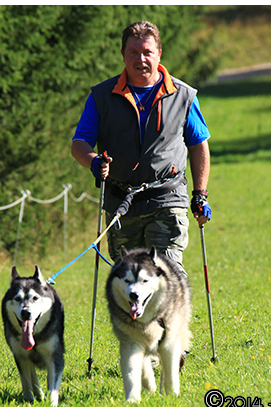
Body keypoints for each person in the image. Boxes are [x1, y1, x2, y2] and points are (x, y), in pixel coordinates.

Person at [71, 21, 211, 273]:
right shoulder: (102, 96)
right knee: (128, 279)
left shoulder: (183, 95)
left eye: (147, 52)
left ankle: (169, 314)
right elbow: (79, 143)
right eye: (133, 52)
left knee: (167, 273)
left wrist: (200, 195)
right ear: (123, 55)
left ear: (159, 54)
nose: (141, 58)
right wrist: (94, 161)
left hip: (167, 197)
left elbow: (199, 145)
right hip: (120, 201)